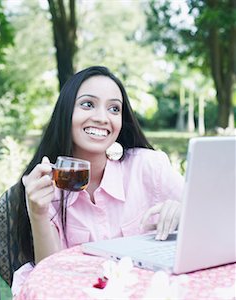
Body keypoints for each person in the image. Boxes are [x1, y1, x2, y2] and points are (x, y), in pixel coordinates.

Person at [10, 66, 184, 296]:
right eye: (88, 104)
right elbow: (50, 276)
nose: (102, 118)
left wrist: (184, 213)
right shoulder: (47, 186)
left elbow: (215, 217)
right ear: (65, 112)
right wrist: (38, 214)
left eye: (114, 108)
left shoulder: (148, 166)